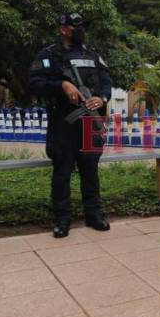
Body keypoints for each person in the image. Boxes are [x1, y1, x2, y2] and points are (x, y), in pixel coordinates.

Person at [28, 12, 112, 238]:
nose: (81, 30)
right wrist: (62, 86)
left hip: (90, 123)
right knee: (62, 173)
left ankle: (93, 215)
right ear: (63, 29)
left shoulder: (92, 54)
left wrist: (101, 98)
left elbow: (106, 82)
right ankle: (62, 219)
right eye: (76, 26)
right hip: (63, 124)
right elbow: (34, 83)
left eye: (82, 26)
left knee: (90, 171)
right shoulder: (48, 55)